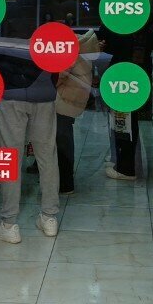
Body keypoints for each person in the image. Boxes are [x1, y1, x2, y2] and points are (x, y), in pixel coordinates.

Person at [0, 0, 60, 243]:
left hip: (12, 91)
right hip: (44, 90)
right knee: (46, 155)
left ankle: (9, 224)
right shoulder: (51, 6)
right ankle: (49, 218)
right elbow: (60, 49)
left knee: (10, 157)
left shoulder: (4, 9)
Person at [99, 22, 153, 181]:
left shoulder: (124, 33)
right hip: (135, 81)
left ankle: (126, 168)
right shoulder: (143, 33)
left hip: (124, 80)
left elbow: (109, 43)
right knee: (126, 122)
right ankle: (123, 162)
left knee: (125, 123)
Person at [54, 30, 99, 195]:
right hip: (73, 100)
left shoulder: (71, 51)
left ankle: (65, 183)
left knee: (61, 141)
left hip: (64, 101)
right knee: (64, 139)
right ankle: (65, 178)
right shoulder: (82, 48)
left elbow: (58, 75)